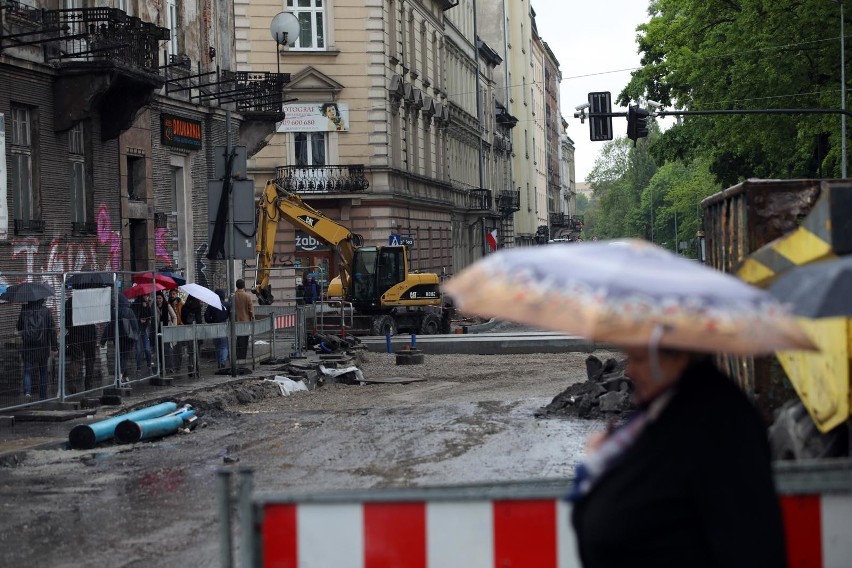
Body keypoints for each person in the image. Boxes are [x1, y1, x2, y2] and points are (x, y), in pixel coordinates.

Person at [568, 345, 787, 568]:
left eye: (640, 359)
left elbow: (751, 549)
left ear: (680, 358)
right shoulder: (662, 412)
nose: (629, 371)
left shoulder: (719, 424)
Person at [17, 299, 58, 400]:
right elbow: (52, 330)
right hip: (43, 346)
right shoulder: (46, 312)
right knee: (43, 371)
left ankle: (27, 392)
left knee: (27, 371)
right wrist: (54, 346)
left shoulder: (24, 311)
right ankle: (43, 396)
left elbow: (18, 327)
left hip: (28, 346)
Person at [100, 295, 138, 384]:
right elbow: (135, 326)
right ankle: (119, 376)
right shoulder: (129, 311)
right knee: (124, 357)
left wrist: (103, 340)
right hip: (128, 339)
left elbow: (108, 327)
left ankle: (125, 376)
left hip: (117, 339)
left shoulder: (114, 312)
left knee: (120, 357)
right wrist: (135, 337)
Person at [65, 294, 100, 392]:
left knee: (76, 359)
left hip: (75, 334)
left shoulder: (69, 302)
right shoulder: (91, 302)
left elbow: (66, 321)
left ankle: (72, 379)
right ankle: (88, 384)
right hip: (90, 334)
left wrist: (71, 328)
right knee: (90, 359)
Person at [204, 289, 230, 368]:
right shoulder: (227, 304)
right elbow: (231, 315)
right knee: (224, 345)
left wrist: (212, 321)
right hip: (223, 325)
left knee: (217, 345)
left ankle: (219, 361)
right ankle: (222, 361)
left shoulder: (212, 304)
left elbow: (206, 317)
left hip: (214, 326)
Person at [155, 291, 177, 374]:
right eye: (157, 298)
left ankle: (170, 367)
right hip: (158, 330)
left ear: (163, 298)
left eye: (160, 298)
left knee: (168, 349)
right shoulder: (154, 306)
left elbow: (174, 317)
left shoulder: (167, 306)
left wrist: (173, 328)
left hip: (167, 329)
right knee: (160, 349)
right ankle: (162, 366)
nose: (158, 300)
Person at [180, 295, 203, 374]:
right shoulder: (198, 307)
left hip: (188, 330)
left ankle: (190, 365)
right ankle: (196, 366)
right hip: (197, 331)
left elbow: (182, 318)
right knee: (197, 349)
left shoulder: (185, 307)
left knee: (190, 350)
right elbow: (199, 320)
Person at [132, 294, 154, 375]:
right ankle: (138, 369)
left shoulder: (147, 305)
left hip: (144, 329)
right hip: (137, 330)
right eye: (145, 296)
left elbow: (150, 315)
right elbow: (133, 317)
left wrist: (146, 306)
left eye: (147, 296)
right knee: (138, 350)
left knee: (147, 349)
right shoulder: (135, 304)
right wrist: (139, 320)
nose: (146, 297)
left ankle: (149, 366)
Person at [234, 279, 254, 360]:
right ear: (244, 286)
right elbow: (251, 310)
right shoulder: (247, 296)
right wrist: (252, 318)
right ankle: (242, 358)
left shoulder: (232, 296)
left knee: (237, 340)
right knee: (244, 341)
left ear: (236, 286)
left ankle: (238, 357)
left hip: (235, 321)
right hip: (245, 322)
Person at [167, 288, 185, 373]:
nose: (172, 295)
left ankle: (178, 366)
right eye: (171, 294)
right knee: (171, 348)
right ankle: (172, 366)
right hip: (171, 328)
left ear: (177, 294)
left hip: (179, 327)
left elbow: (182, 314)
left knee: (178, 348)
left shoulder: (180, 303)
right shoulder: (168, 304)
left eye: (174, 294)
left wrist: (181, 323)